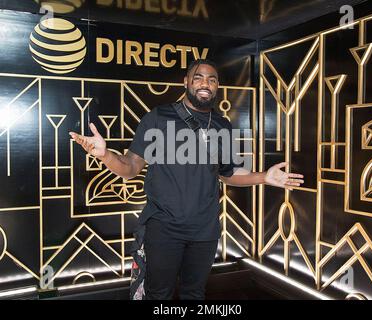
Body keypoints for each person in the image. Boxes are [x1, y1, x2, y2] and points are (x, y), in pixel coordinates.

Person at [69, 59, 304, 300]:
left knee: (195, 294)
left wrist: (264, 177)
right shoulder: (158, 117)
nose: (206, 84)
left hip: (205, 230)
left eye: (212, 80)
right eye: (199, 77)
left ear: (217, 87)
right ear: (186, 82)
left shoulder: (222, 124)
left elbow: (229, 173)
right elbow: (130, 168)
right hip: (163, 227)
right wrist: (106, 155)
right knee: (158, 295)